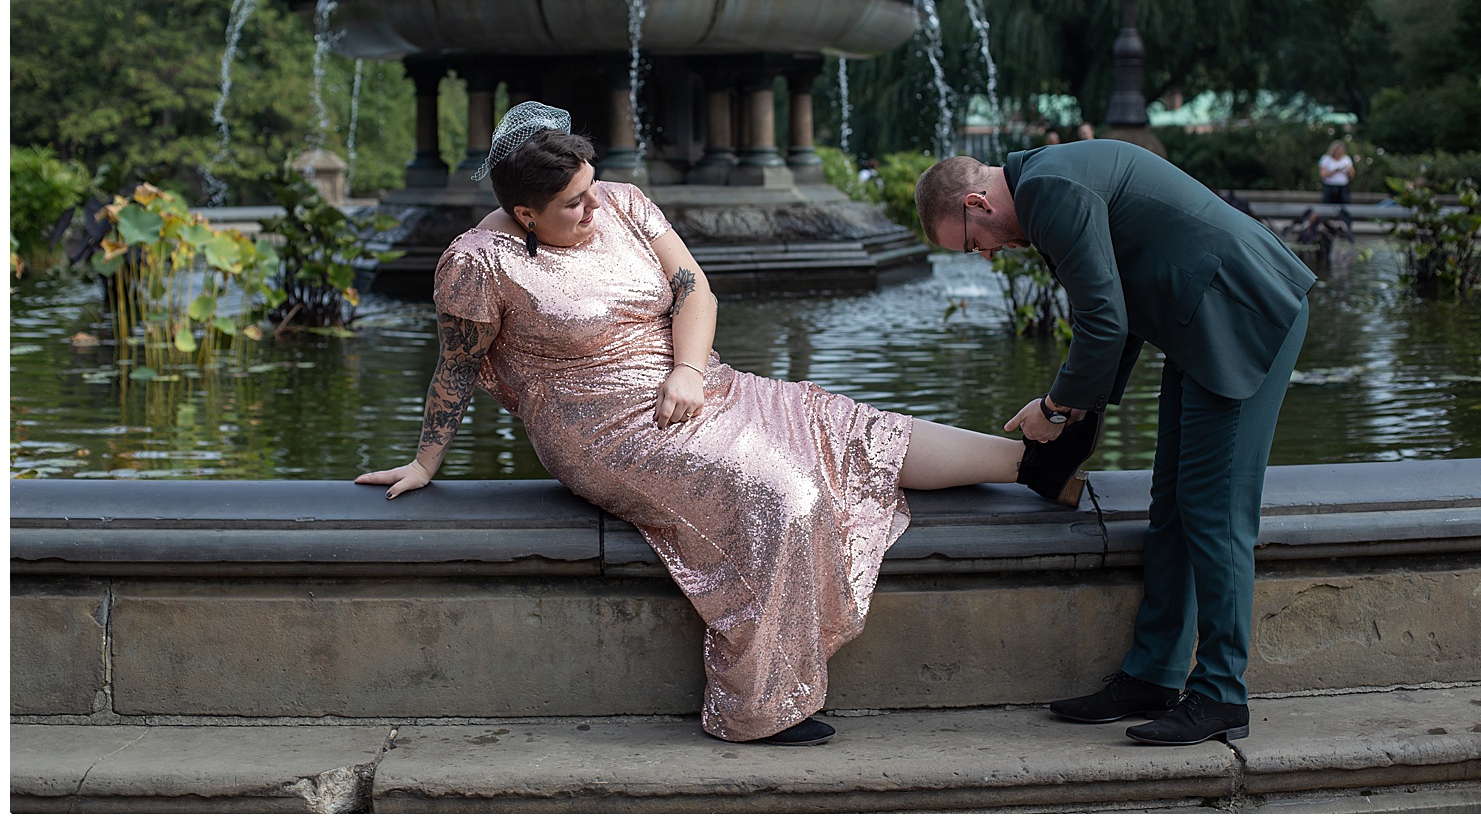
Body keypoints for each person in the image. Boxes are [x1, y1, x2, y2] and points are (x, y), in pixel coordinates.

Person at [356, 103, 1098, 748]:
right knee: (788, 492)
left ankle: (1034, 464)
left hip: (697, 381)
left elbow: (693, 286)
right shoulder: (480, 263)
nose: (593, 207)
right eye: (574, 204)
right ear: (525, 214)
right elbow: (456, 366)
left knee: (840, 423)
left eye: (590, 189)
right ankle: (758, 706)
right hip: (606, 427)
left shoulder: (621, 201)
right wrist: (425, 462)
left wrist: (685, 369)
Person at [913, 139, 1315, 746]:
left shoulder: (1049, 192)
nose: (987, 255)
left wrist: (1056, 408)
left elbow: (1103, 320)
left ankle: (1222, 696)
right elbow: (1115, 312)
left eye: (972, 243)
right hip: (1200, 320)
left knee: (1215, 512)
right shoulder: (1044, 186)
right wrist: (1073, 410)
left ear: (977, 202)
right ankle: (1153, 675)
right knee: (1174, 505)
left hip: (1243, 312)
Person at [1319, 139, 1354, 204]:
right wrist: (1334, 171)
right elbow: (1322, 174)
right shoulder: (1326, 159)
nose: (1339, 152)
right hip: (1330, 185)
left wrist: (1348, 171)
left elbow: (1352, 174)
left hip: (1343, 186)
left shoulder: (1346, 159)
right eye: (1337, 150)